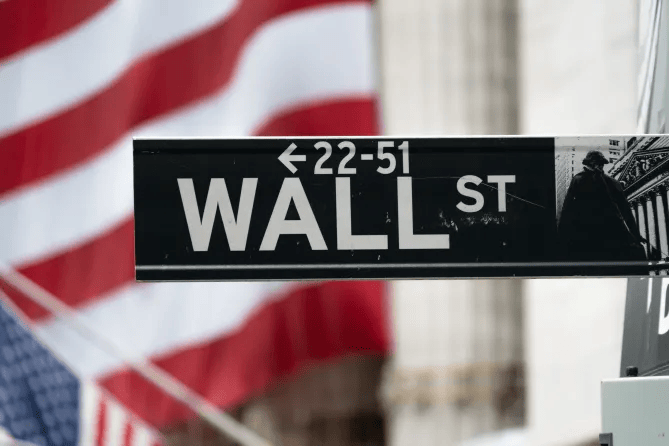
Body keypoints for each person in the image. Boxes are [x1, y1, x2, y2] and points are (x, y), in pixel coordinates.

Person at [557, 150, 646, 261]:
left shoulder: (579, 179)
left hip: (589, 236)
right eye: (599, 163)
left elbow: (567, 210)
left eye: (599, 163)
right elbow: (626, 211)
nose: (600, 165)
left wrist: (561, 236)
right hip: (610, 235)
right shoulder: (612, 182)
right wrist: (635, 234)